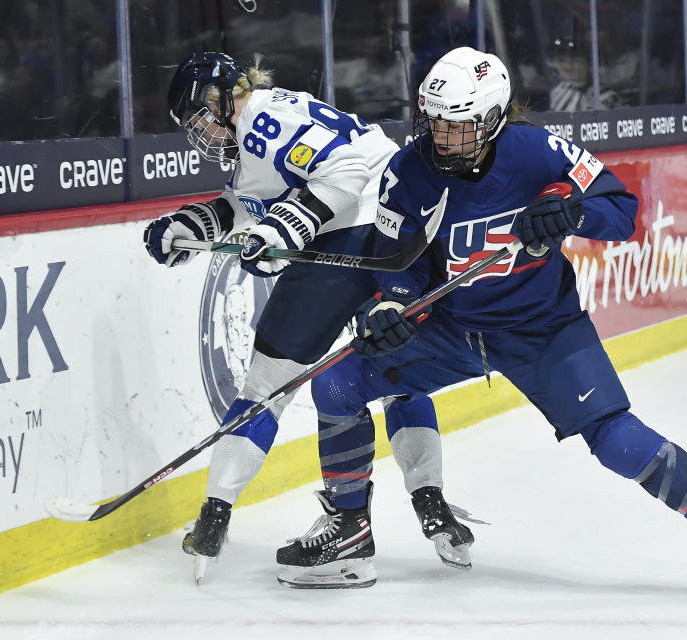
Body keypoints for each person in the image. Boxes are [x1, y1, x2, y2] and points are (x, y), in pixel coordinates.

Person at [282, 46, 687, 603]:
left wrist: (573, 210)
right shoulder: (408, 171)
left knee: (617, 440)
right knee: (336, 383)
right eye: (434, 121)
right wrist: (397, 311)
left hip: (543, 329)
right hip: (454, 329)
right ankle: (350, 529)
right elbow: (396, 262)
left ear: (494, 119)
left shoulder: (536, 150)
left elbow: (622, 210)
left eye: (458, 126)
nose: (441, 137)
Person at [143, 51, 474, 585]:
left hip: (361, 236)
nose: (199, 131)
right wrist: (188, 225)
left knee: (267, 383)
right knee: (391, 376)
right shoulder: (263, 122)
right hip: (391, 230)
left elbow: (344, 172)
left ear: (220, 98)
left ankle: (220, 515)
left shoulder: (261, 122)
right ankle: (430, 504)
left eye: (199, 116)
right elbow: (250, 201)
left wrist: (279, 233)